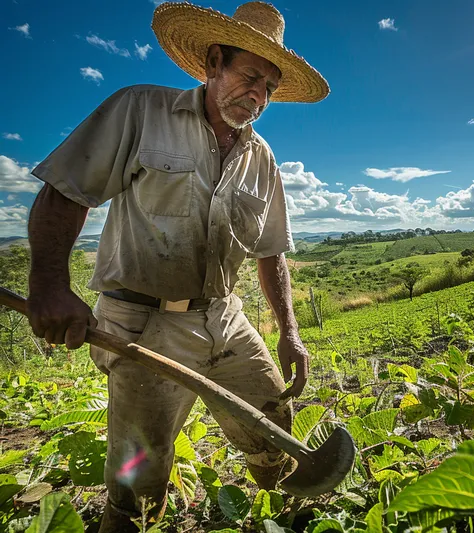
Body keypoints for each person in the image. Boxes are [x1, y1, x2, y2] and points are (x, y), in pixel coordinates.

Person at [25, 2, 328, 531]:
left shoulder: (262, 157)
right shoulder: (140, 110)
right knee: (138, 474)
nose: (257, 94)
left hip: (224, 319)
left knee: (271, 422)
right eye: (249, 75)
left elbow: (271, 251)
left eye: (269, 87)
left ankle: (278, 512)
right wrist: (49, 283)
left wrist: (289, 331)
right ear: (214, 61)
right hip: (144, 326)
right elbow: (66, 192)